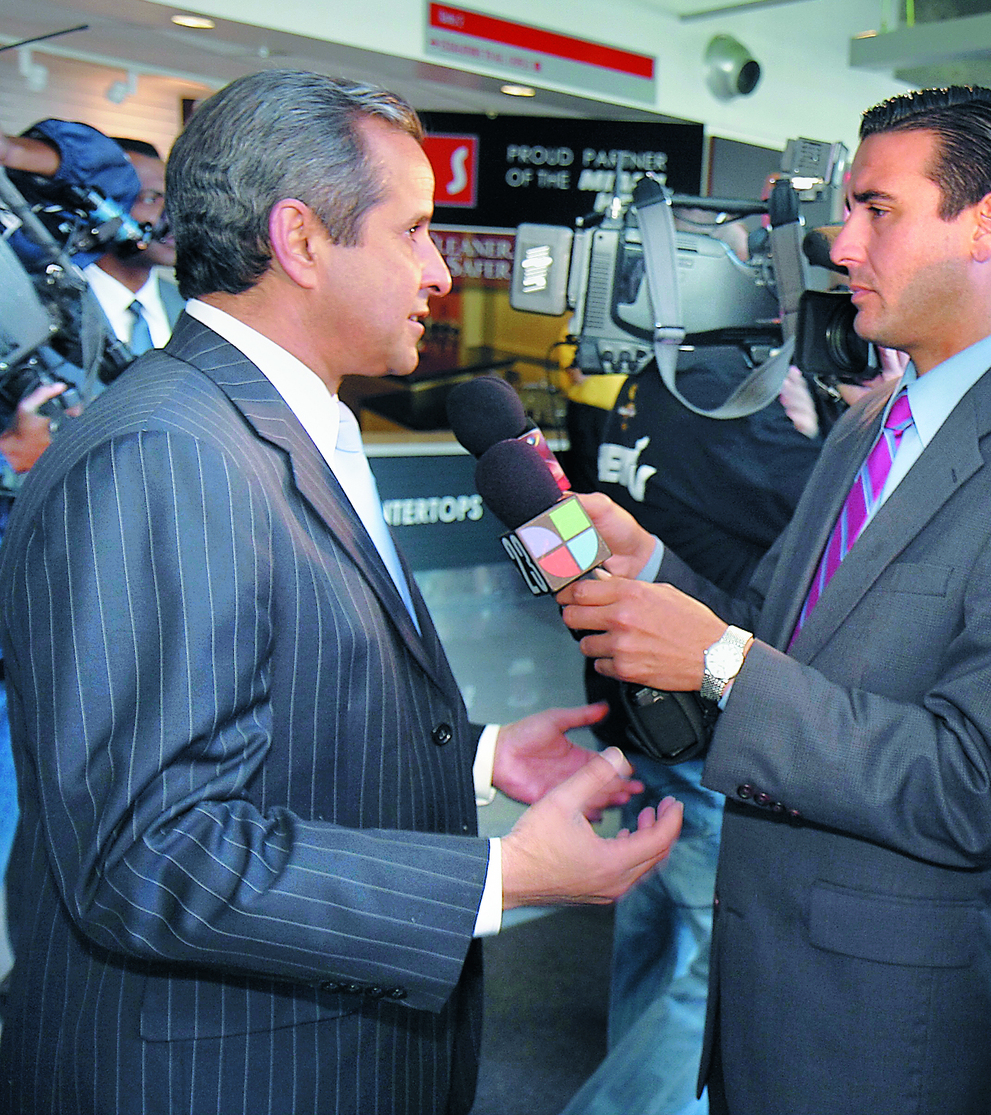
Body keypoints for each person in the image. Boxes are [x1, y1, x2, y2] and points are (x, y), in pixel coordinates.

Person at [0, 69, 682, 1115]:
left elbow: (268, 708)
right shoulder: (167, 456)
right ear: (302, 240)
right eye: (412, 231)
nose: (441, 272)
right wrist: (502, 881)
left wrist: (484, 757)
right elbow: (153, 855)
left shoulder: (282, 424)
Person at [559, 85, 991, 1114]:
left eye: (877, 211)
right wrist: (659, 576)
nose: (840, 245)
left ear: (988, 224)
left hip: (887, 1031)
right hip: (766, 981)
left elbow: (976, 788)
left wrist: (720, 660)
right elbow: (780, 633)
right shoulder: (871, 424)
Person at [561, 343, 828, 1115]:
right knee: (713, 979)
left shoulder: (645, 386)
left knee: (656, 953)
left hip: (649, 721)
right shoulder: (717, 395)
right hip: (704, 726)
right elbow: (836, 517)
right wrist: (826, 432)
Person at [80, 137, 182, 356]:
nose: (174, 217)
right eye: (150, 199)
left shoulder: (191, 308)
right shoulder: (43, 309)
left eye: (175, 200)